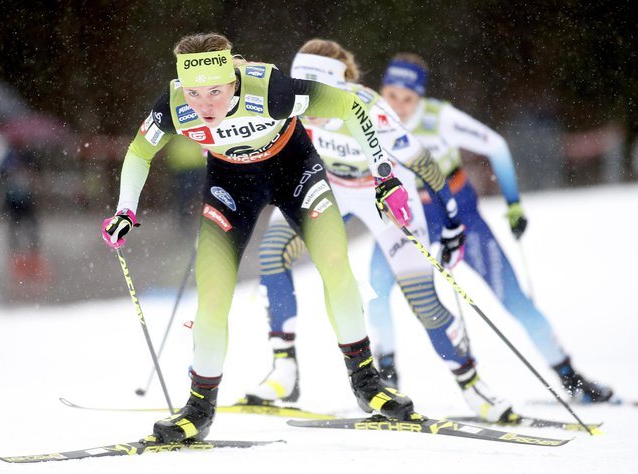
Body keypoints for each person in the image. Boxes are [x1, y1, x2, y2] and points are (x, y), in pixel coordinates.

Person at [101, 32, 420, 443]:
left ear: (233, 81)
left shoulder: (270, 92)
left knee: (334, 263)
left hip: (294, 171)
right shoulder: (175, 105)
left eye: (216, 91)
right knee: (212, 294)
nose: (205, 105)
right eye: (195, 94)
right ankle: (199, 408)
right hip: (231, 185)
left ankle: (367, 384)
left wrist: (384, 174)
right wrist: (125, 209)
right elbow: (139, 152)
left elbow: (349, 105)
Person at [244, 39, 515, 423]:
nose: (307, 104)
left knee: (422, 298)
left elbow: (425, 164)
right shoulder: (288, 101)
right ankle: (284, 370)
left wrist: (453, 222)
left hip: (383, 193)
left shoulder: (370, 109)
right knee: (271, 253)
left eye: (317, 94)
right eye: (301, 90)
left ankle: (472, 384)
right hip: (329, 187)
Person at [368, 52, 613, 403]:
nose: (400, 106)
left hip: (458, 213)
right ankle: (387, 378)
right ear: (382, 90)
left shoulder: (440, 117)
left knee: (513, 298)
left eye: (409, 99)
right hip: (407, 217)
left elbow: (496, 145)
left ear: (420, 97)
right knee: (377, 289)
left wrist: (513, 203)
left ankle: (570, 378)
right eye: (392, 96)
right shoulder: (371, 115)